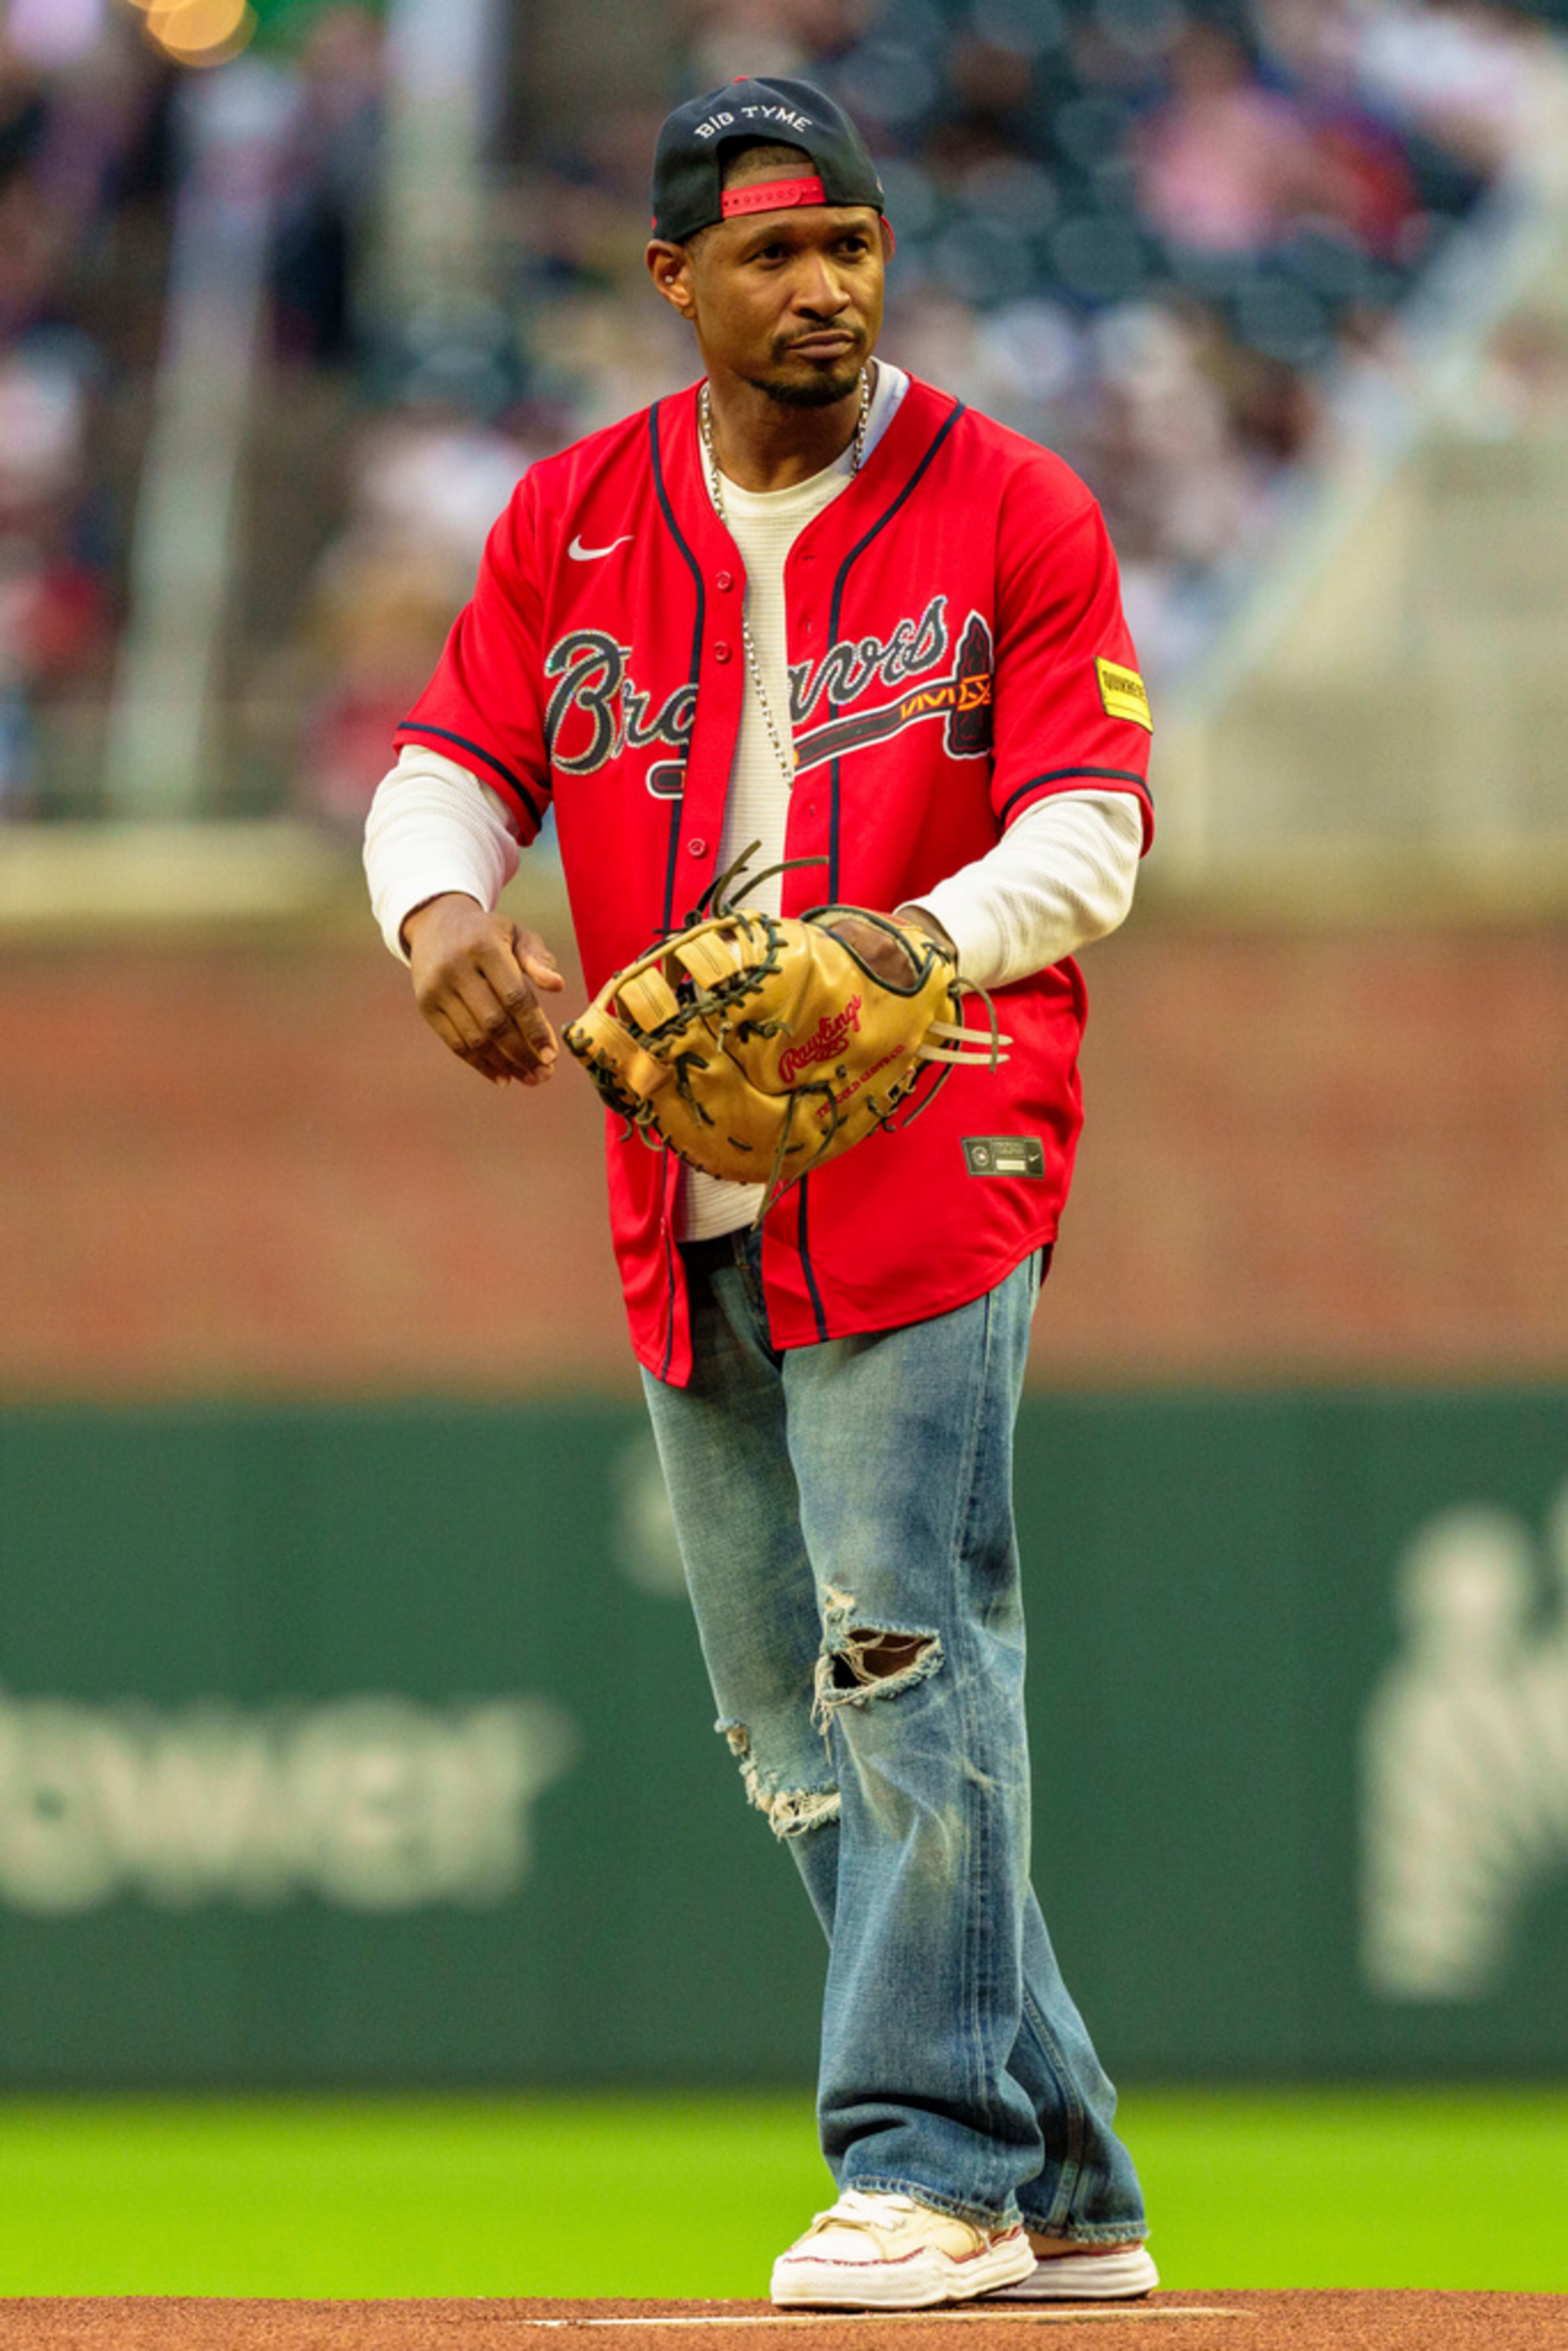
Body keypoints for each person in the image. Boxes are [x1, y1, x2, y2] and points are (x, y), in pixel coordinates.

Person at [363, 76, 1157, 2311]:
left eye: (856, 244)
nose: (826, 285)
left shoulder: (1009, 503)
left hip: (941, 1137)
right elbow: (447, 768)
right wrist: (436, 918)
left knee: (908, 1638)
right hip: (675, 1159)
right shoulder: (578, 519)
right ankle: (1066, 2177)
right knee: (787, 1720)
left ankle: (925, 2161)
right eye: (778, 253)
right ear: (675, 281)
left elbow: (1095, 830)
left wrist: (905, 945)